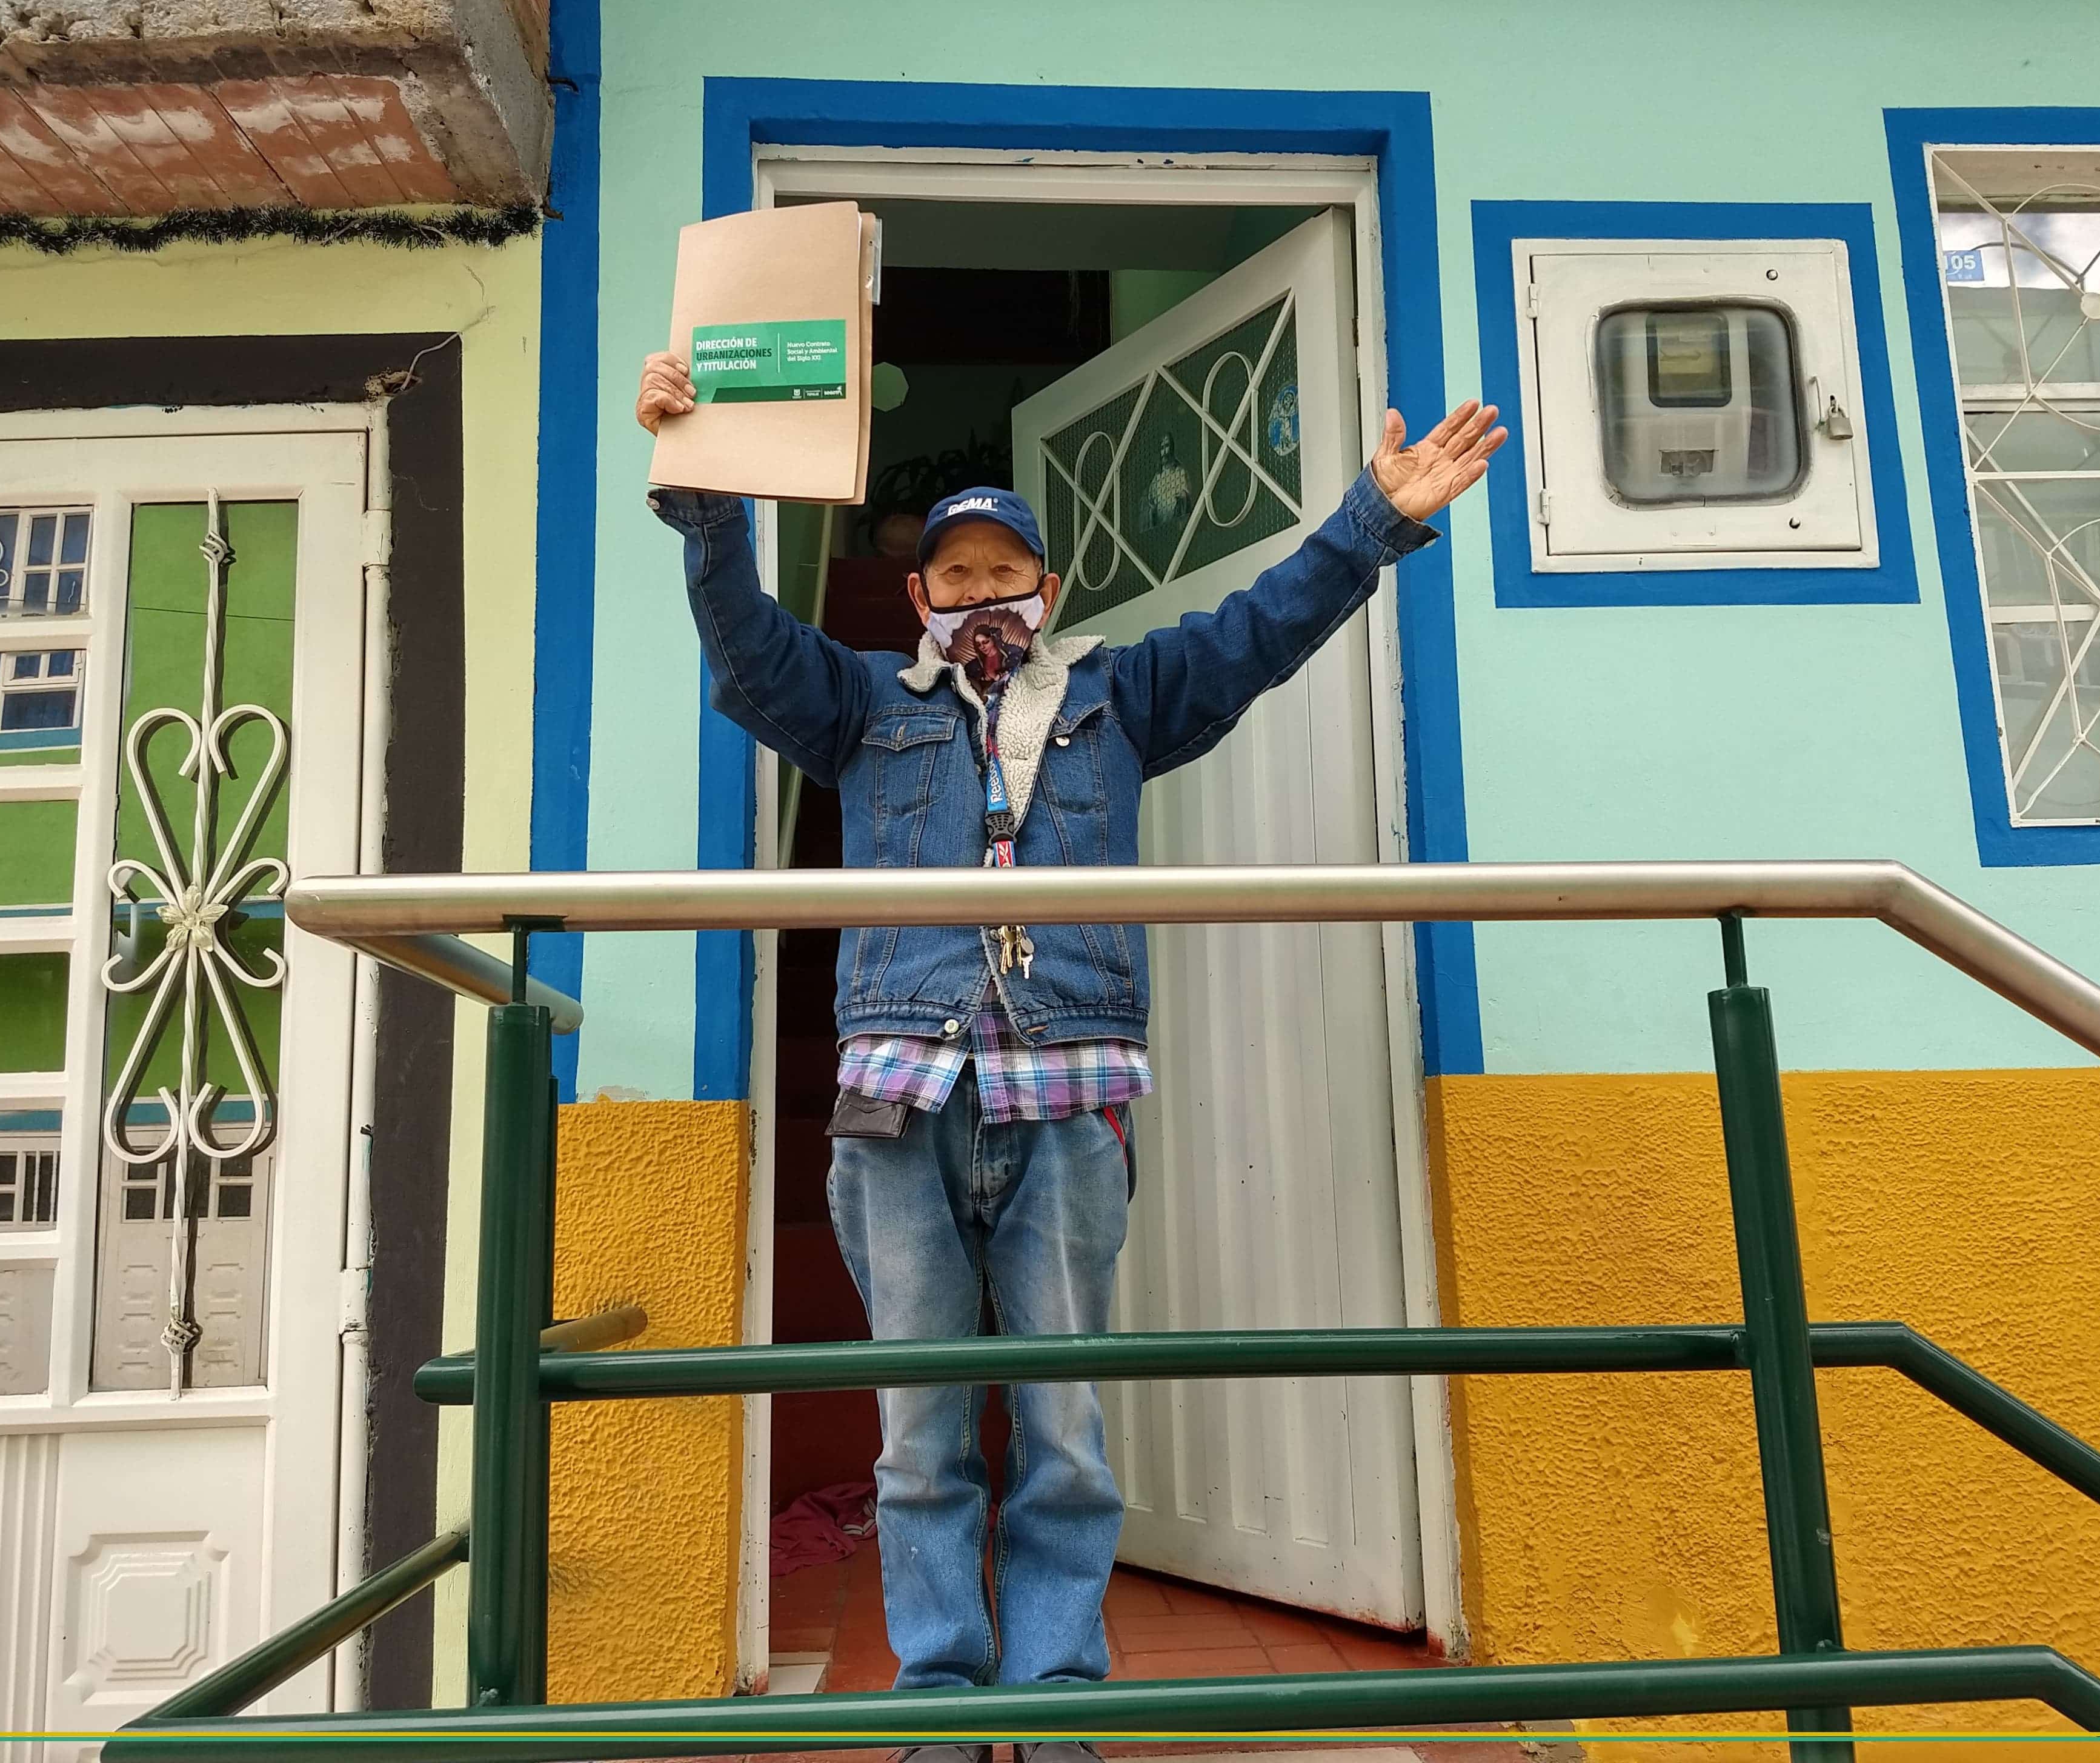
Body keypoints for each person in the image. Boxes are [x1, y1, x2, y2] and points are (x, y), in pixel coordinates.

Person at [637, 348, 1504, 1758]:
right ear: (920, 599)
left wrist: (1376, 523)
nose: (986, 596)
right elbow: (741, 647)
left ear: (1055, 592)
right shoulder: (860, 707)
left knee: (1065, 1426)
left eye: (1008, 574)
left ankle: (1050, 1698)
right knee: (921, 1431)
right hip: (899, 1104)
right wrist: (706, 495)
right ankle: (937, 1696)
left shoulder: (1126, 699)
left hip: (1069, 1097)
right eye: (958, 577)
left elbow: (1262, 628)